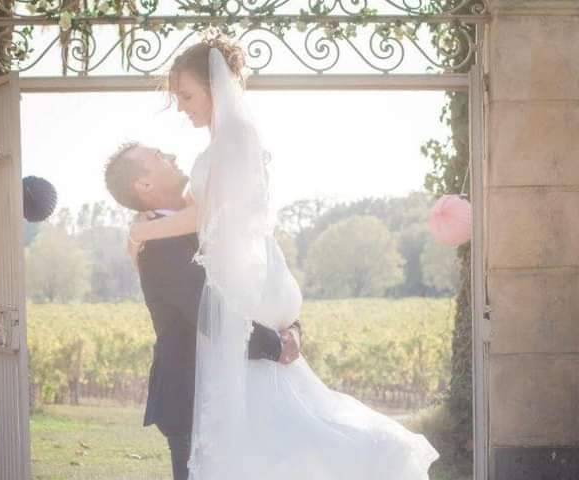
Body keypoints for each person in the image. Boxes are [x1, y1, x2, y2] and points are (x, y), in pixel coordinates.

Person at [127, 37, 440, 479]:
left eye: (187, 96)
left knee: (255, 427)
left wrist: (143, 229)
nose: (181, 107)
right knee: (263, 428)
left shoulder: (234, 138)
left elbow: (204, 216)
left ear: (215, 89)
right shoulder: (229, 140)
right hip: (242, 281)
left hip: (239, 284)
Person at [104, 142, 302, 480]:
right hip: (194, 400)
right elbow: (210, 315)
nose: (172, 155)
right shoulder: (157, 247)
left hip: (240, 389)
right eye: (160, 157)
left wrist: (292, 327)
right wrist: (276, 345)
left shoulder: (214, 225)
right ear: (145, 185)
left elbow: (262, 284)